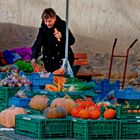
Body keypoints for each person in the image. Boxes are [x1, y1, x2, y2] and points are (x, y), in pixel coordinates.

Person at [31, 8, 75, 73]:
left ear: (55, 18)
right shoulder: (43, 29)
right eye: (45, 21)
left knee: (62, 80)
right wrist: (34, 57)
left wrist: (62, 37)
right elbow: (38, 43)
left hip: (63, 60)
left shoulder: (62, 25)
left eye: (50, 21)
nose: (47, 24)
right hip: (49, 61)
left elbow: (72, 40)